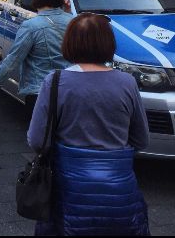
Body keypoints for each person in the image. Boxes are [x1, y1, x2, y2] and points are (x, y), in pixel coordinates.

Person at [29, 13, 150, 236]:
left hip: (68, 190)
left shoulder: (56, 82)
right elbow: (141, 139)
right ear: (108, 43)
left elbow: (37, 140)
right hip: (119, 192)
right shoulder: (127, 83)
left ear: (69, 43)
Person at [0, 0, 73, 116]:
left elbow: (14, 59)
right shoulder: (74, 22)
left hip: (40, 91)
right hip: (69, 89)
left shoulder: (31, 26)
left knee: (40, 135)